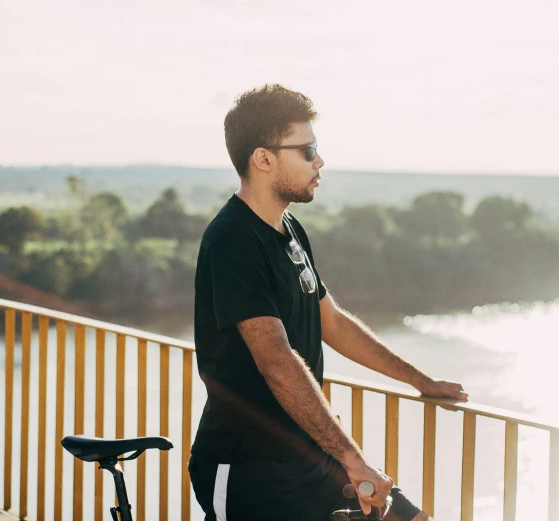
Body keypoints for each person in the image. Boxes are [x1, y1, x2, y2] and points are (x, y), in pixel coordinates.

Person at [189, 84, 468, 521]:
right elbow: (276, 359)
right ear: (264, 159)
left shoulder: (290, 229)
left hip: (310, 456)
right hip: (249, 467)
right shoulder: (232, 241)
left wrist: (420, 380)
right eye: (308, 150)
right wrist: (354, 460)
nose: (320, 162)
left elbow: (332, 322)